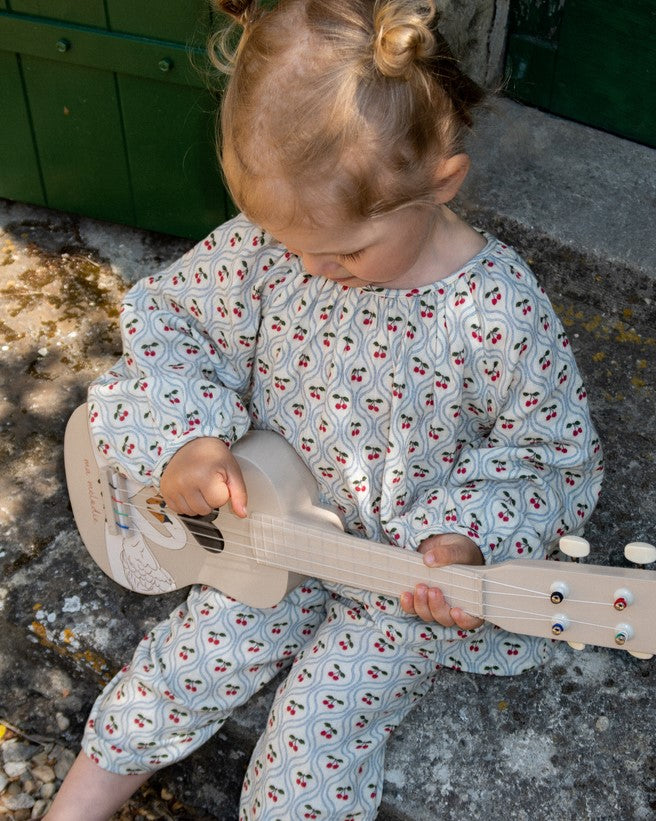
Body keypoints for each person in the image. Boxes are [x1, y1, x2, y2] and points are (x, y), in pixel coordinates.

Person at [47, 1, 604, 818]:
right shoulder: (274, 247)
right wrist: (188, 440)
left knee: (317, 728)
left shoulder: (496, 311)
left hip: (402, 578)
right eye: (289, 240)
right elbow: (174, 320)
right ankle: (82, 798)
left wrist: (462, 537)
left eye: (343, 249)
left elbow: (552, 454)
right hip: (269, 523)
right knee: (192, 659)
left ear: (440, 183)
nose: (309, 265)